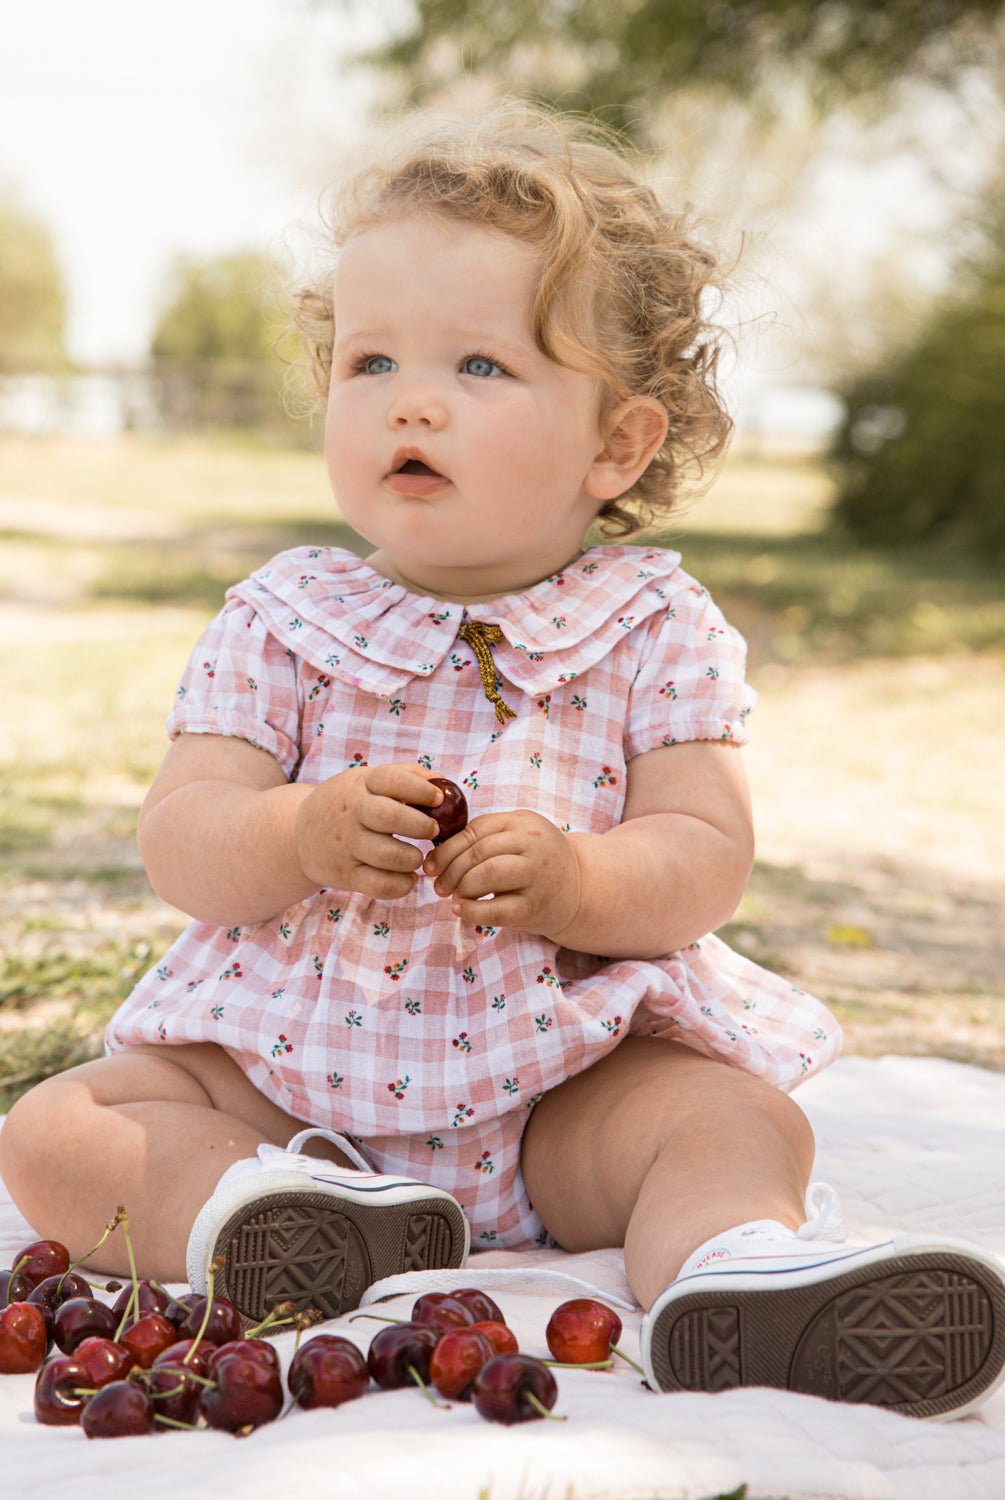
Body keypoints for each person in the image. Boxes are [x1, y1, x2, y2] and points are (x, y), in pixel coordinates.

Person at [3, 103, 1003, 1420]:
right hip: (283, 1082)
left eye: (479, 366)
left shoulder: (655, 626)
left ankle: (736, 1266)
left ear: (617, 445)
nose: (409, 398)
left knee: (727, 1121)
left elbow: (706, 856)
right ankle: (267, 1214)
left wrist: (584, 881)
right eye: (369, 363)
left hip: (563, 1085)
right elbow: (183, 831)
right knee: (59, 1127)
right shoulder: (283, 615)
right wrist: (294, 835)